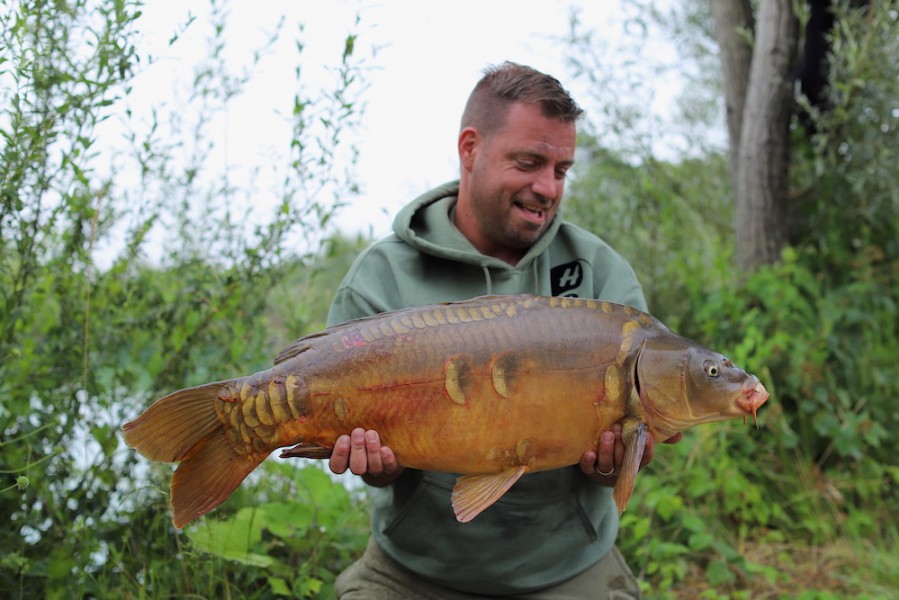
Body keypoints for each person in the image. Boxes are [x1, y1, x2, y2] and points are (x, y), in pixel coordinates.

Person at [325, 61, 679, 599]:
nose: (547, 187)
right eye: (529, 162)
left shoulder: (601, 275)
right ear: (470, 148)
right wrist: (376, 466)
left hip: (566, 568)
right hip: (417, 571)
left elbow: (621, 465)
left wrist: (616, 462)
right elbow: (375, 472)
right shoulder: (379, 280)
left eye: (561, 170)